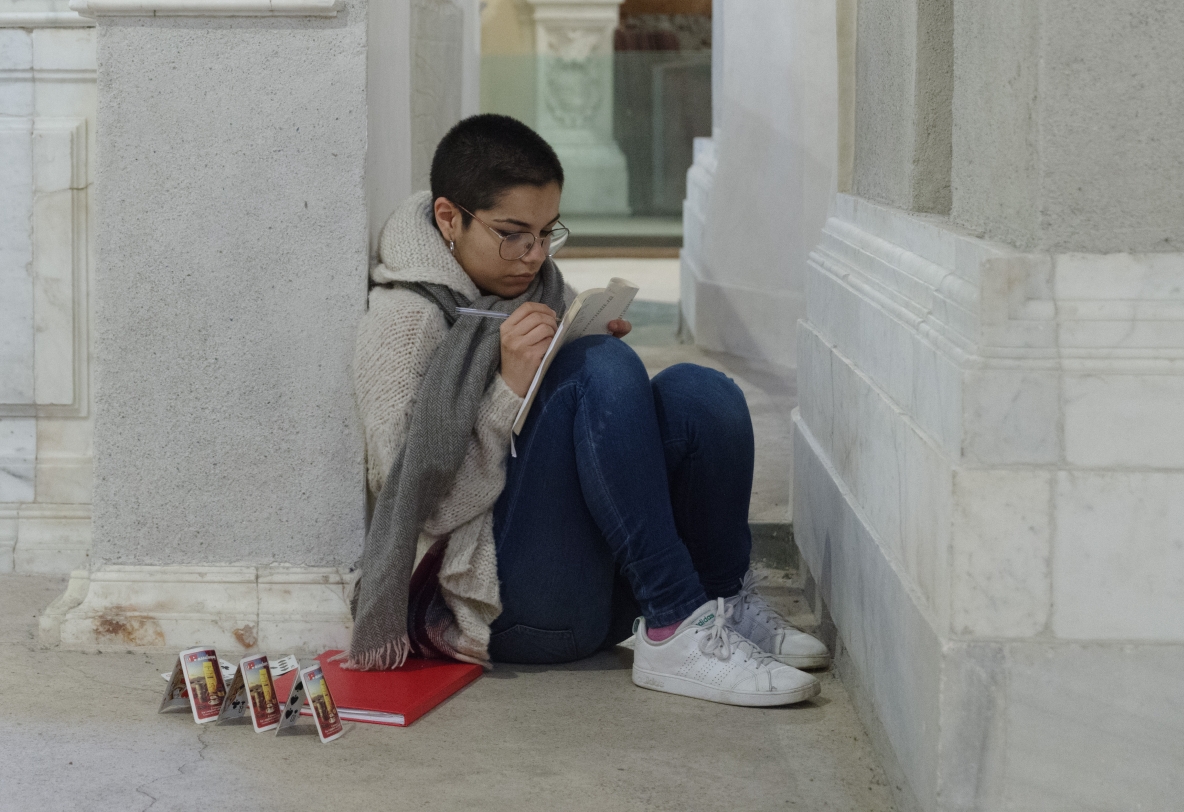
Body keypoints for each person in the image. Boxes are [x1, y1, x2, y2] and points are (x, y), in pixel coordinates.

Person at [348, 113, 827, 707]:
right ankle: (674, 624)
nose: (534, 255)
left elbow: (595, 428)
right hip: (501, 609)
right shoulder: (404, 323)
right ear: (449, 217)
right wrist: (509, 390)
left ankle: (718, 605)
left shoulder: (535, 287)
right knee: (597, 367)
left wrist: (595, 349)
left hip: (591, 583)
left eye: (547, 232)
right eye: (513, 234)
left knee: (701, 395)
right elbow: (419, 508)